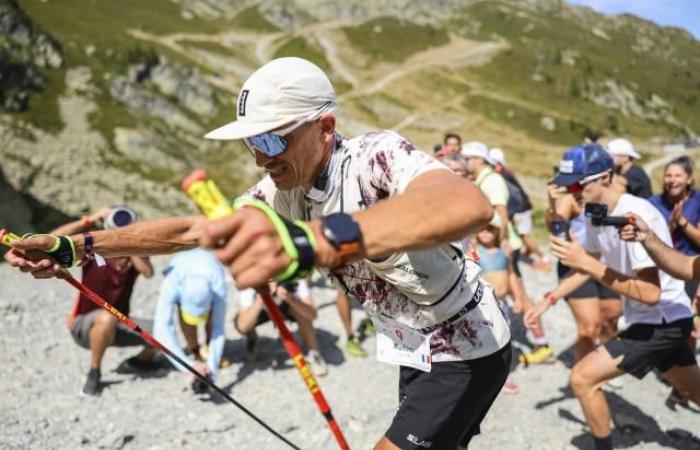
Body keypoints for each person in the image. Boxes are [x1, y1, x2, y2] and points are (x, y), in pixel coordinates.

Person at [8, 57, 512, 450]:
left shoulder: (374, 158)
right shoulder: (280, 189)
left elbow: (465, 203)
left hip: (465, 345)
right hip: (413, 346)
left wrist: (316, 240)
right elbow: (192, 230)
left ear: (325, 128)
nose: (261, 155)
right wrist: (75, 247)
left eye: (273, 137)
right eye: (252, 141)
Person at [525, 144, 699, 450]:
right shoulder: (596, 214)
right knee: (695, 390)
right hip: (661, 317)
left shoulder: (635, 215)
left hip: (661, 320)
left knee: (581, 378)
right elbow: (584, 263)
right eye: (568, 186)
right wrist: (548, 299)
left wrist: (589, 264)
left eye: (578, 184)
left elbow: (649, 293)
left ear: (605, 178)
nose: (572, 192)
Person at [461, 140, 553, 364]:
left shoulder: (491, 181)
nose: (464, 162)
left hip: (500, 247)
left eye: (467, 158)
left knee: (518, 295)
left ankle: (542, 345)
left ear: (479, 160)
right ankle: (540, 344)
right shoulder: (484, 179)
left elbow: (500, 214)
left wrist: (497, 245)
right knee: (514, 294)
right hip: (498, 246)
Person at [55, 207, 156, 396]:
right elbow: (52, 239)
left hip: (118, 323)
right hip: (84, 324)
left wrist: (129, 242)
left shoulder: (134, 257)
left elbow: (148, 272)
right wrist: (88, 221)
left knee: (162, 331)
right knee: (106, 318)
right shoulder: (93, 249)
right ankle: (94, 372)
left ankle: (139, 362)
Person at [545, 182, 622, 363]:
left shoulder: (613, 192)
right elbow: (556, 228)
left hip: (607, 265)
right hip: (576, 266)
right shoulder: (570, 197)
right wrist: (552, 204)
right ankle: (584, 374)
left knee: (610, 321)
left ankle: (602, 365)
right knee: (588, 328)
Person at [153, 248, 228, 393]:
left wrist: (212, 368)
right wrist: (187, 365)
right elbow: (161, 330)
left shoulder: (218, 283)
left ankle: (206, 349)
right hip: (180, 266)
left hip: (208, 265)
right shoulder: (172, 281)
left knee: (213, 319)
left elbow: (218, 327)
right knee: (188, 322)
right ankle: (195, 351)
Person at [236, 279, 328, 376]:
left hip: (287, 306)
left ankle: (314, 352)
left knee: (303, 314)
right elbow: (242, 327)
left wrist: (290, 298)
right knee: (246, 318)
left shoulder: (295, 279)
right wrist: (261, 298)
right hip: (262, 309)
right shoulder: (250, 281)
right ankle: (252, 339)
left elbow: (312, 315)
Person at [489, 147, 550, 271]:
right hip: (522, 209)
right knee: (522, 235)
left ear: (499, 164)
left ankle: (543, 257)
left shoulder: (502, 177)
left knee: (524, 236)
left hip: (520, 211)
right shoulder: (507, 173)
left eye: (492, 164)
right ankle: (527, 255)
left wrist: (512, 213)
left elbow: (512, 197)